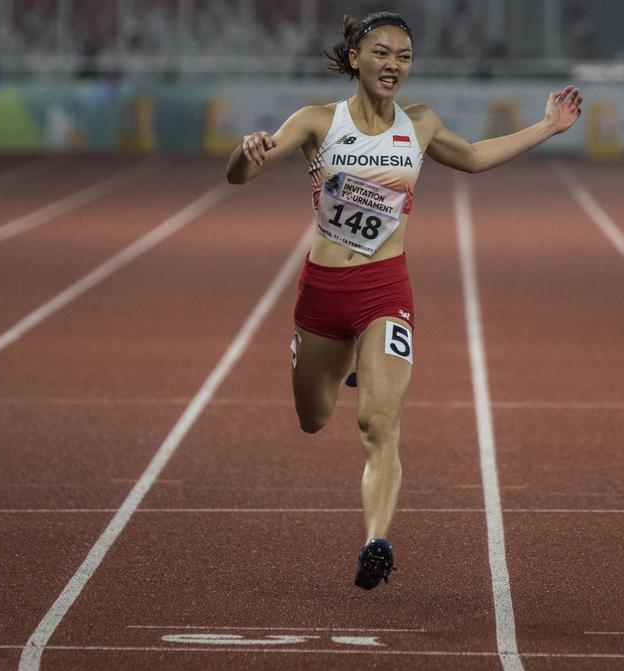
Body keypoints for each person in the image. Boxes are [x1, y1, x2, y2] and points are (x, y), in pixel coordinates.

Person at [225, 11, 582, 590]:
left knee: (378, 424)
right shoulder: (318, 121)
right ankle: (342, 366)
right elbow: (239, 176)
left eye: (405, 56)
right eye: (382, 53)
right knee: (313, 419)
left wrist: (546, 127)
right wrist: (247, 151)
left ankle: (376, 541)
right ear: (355, 59)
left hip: (386, 289)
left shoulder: (419, 124)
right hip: (323, 291)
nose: (394, 65)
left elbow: (473, 156)